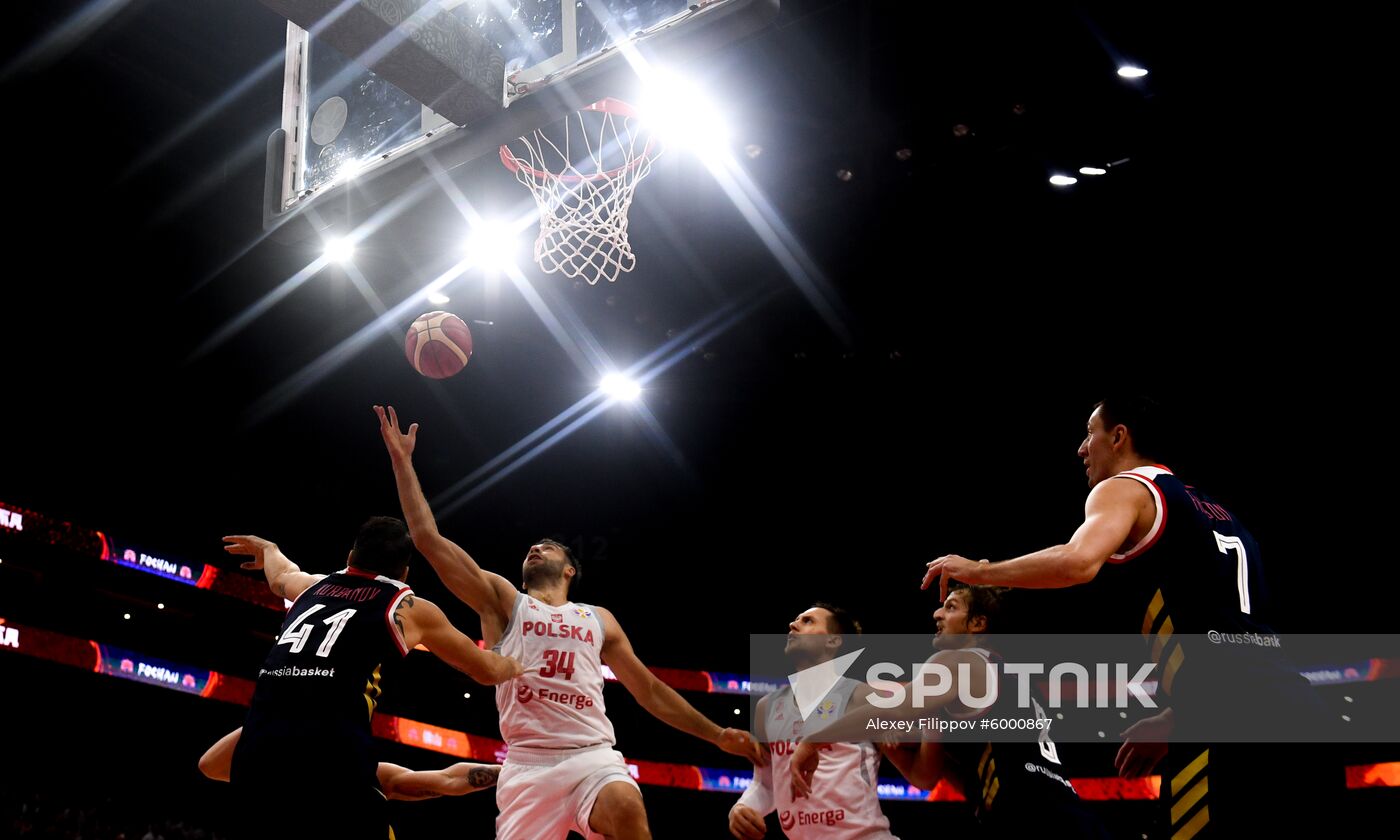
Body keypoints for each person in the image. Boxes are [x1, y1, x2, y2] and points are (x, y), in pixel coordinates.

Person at [919, 396, 1329, 837]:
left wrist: (979, 571)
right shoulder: (1220, 515)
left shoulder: (1127, 487)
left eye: (1089, 433)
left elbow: (1076, 562)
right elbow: (1236, 638)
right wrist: (1178, 715)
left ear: (1118, 437)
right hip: (1298, 712)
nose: (1081, 448)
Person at [375, 405, 763, 840]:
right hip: (526, 766)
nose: (536, 548)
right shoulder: (503, 601)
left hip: (592, 757)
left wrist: (716, 735)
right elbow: (428, 541)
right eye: (532, 547)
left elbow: (650, 691)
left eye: (549, 547)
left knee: (626, 804)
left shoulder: (599, 619)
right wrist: (402, 462)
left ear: (570, 570)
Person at [222, 522, 522, 840]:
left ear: (351, 556)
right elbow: (488, 670)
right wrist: (522, 663)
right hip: (330, 758)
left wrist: (270, 549)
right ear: (404, 573)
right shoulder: (406, 609)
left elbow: (281, 575)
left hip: (256, 757)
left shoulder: (311, 587)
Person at [869, 586, 1109, 839]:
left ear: (978, 623)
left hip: (1027, 816)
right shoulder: (1011, 679)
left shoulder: (958, 661)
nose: (937, 614)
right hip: (1068, 812)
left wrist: (833, 717)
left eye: (951, 606)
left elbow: (891, 709)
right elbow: (928, 777)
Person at [728, 604, 898, 840]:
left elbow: (920, 769)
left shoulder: (862, 696)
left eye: (808, 621)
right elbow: (767, 783)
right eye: (796, 619)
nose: (793, 624)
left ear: (833, 641)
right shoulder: (766, 707)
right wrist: (744, 807)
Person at [199, 726, 502, 800]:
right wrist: (270, 711)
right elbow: (209, 765)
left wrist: (512, 771)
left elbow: (447, 780)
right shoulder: (281, 775)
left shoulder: (363, 772)